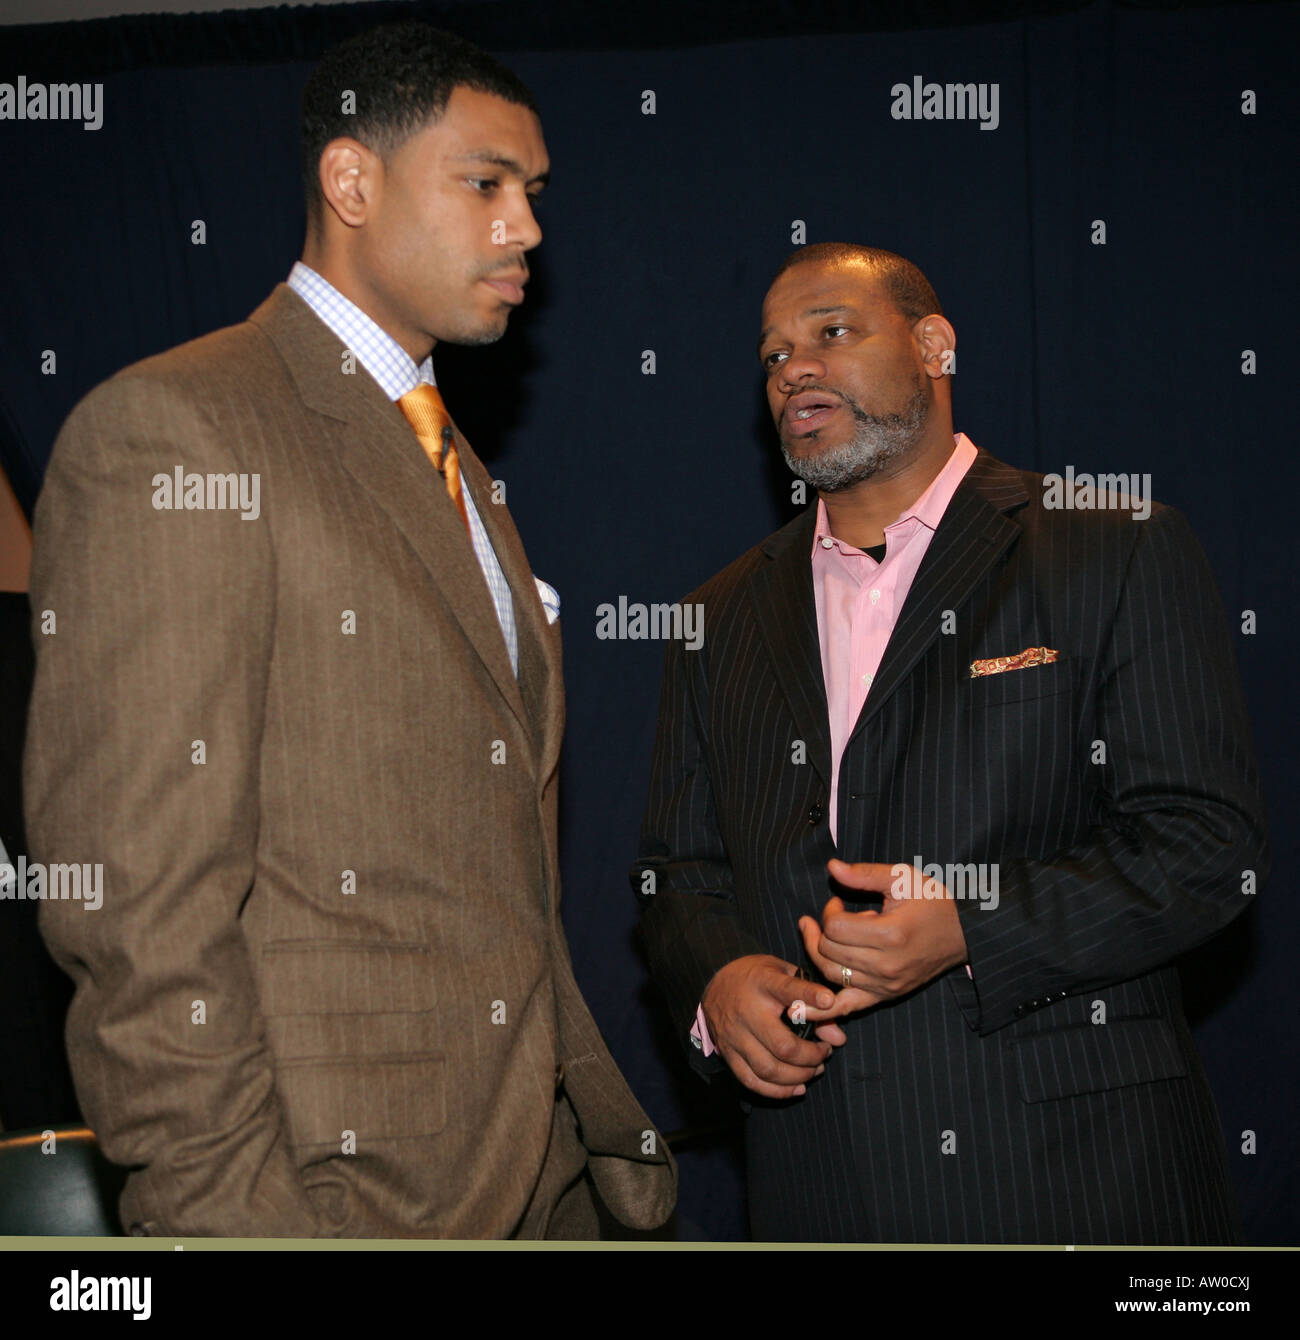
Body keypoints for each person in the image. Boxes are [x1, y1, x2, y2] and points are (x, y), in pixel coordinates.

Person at [25, 21, 674, 1239]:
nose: (525, 226)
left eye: (531, 193)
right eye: (485, 183)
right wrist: (231, 1219)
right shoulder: (180, 431)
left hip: (541, 1176)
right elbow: (139, 902)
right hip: (341, 1200)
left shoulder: (456, 467)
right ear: (351, 181)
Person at [635, 241, 1265, 1244]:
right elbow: (681, 873)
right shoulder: (717, 616)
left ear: (932, 345)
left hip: (1077, 1178)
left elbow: (1206, 848)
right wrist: (717, 983)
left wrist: (974, 923)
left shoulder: (1111, 542)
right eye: (772, 355)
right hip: (818, 1183)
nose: (794, 368)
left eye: (830, 333)